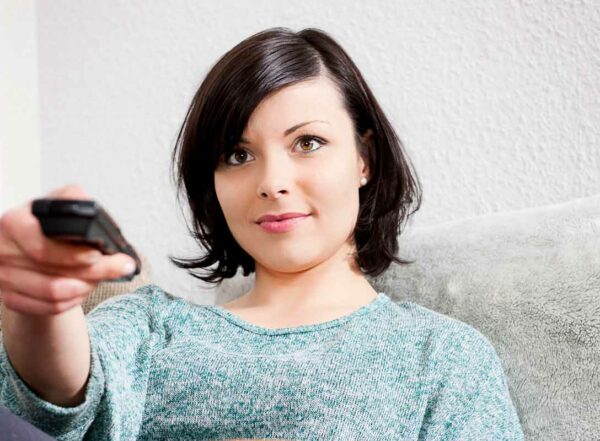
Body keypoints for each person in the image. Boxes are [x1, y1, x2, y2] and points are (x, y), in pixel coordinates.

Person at [0, 27, 525, 440]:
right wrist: (41, 303)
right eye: (239, 155)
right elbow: (55, 400)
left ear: (364, 158)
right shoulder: (151, 326)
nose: (272, 183)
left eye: (308, 143)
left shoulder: (440, 355)